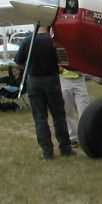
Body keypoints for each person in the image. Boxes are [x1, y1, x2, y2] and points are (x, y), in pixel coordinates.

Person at [14, 26, 75, 160]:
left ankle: (47, 152)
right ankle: (65, 148)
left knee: (40, 117)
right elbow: (64, 61)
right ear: (49, 27)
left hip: (34, 81)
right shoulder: (53, 41)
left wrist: (29, 65)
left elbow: (18, 63)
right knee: (59, 116)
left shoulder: (27, 41)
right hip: (52, 80)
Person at [59, 67, 89, 148]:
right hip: (64, 80)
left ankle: (86, 137)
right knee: (67, 111)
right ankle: (73, 138)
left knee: (84, 110)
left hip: (79, 80)